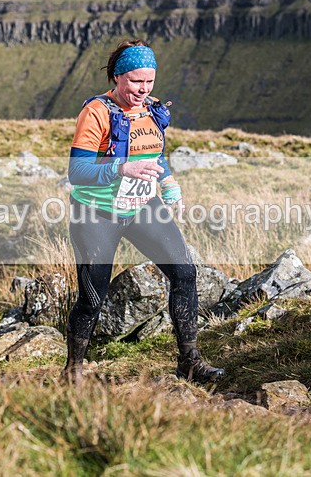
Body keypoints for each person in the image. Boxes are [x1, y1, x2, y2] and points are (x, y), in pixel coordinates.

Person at [63, 39, 225, 385]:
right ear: (118, 77)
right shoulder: (96, 112)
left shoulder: (151, 109)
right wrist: (121, 169)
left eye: (149, 81)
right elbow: (77, 172)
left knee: (185, 273)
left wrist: (169, 187)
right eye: (136, 81)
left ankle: (190, 361)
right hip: (96, 213)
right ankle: (73, 370)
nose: (143, 89)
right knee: (93, 299)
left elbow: (155, 156)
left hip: (141, 207)